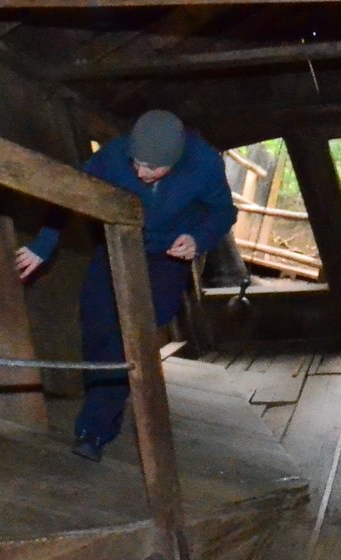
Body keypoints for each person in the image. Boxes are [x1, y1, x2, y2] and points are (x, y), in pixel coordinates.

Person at [15, 110, 235, 462]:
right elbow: (68, 193)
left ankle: (94, 429)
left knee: (130, 335)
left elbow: (224, 212)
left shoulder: (204, 164)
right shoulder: (114, 156)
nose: (140, 173)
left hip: (168, 256)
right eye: (136, 163)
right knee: (97, 325)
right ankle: (100, 411)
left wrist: (199, 238)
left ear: (175, 161)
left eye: (151, 168)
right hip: (118, 244)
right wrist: (44, 244)